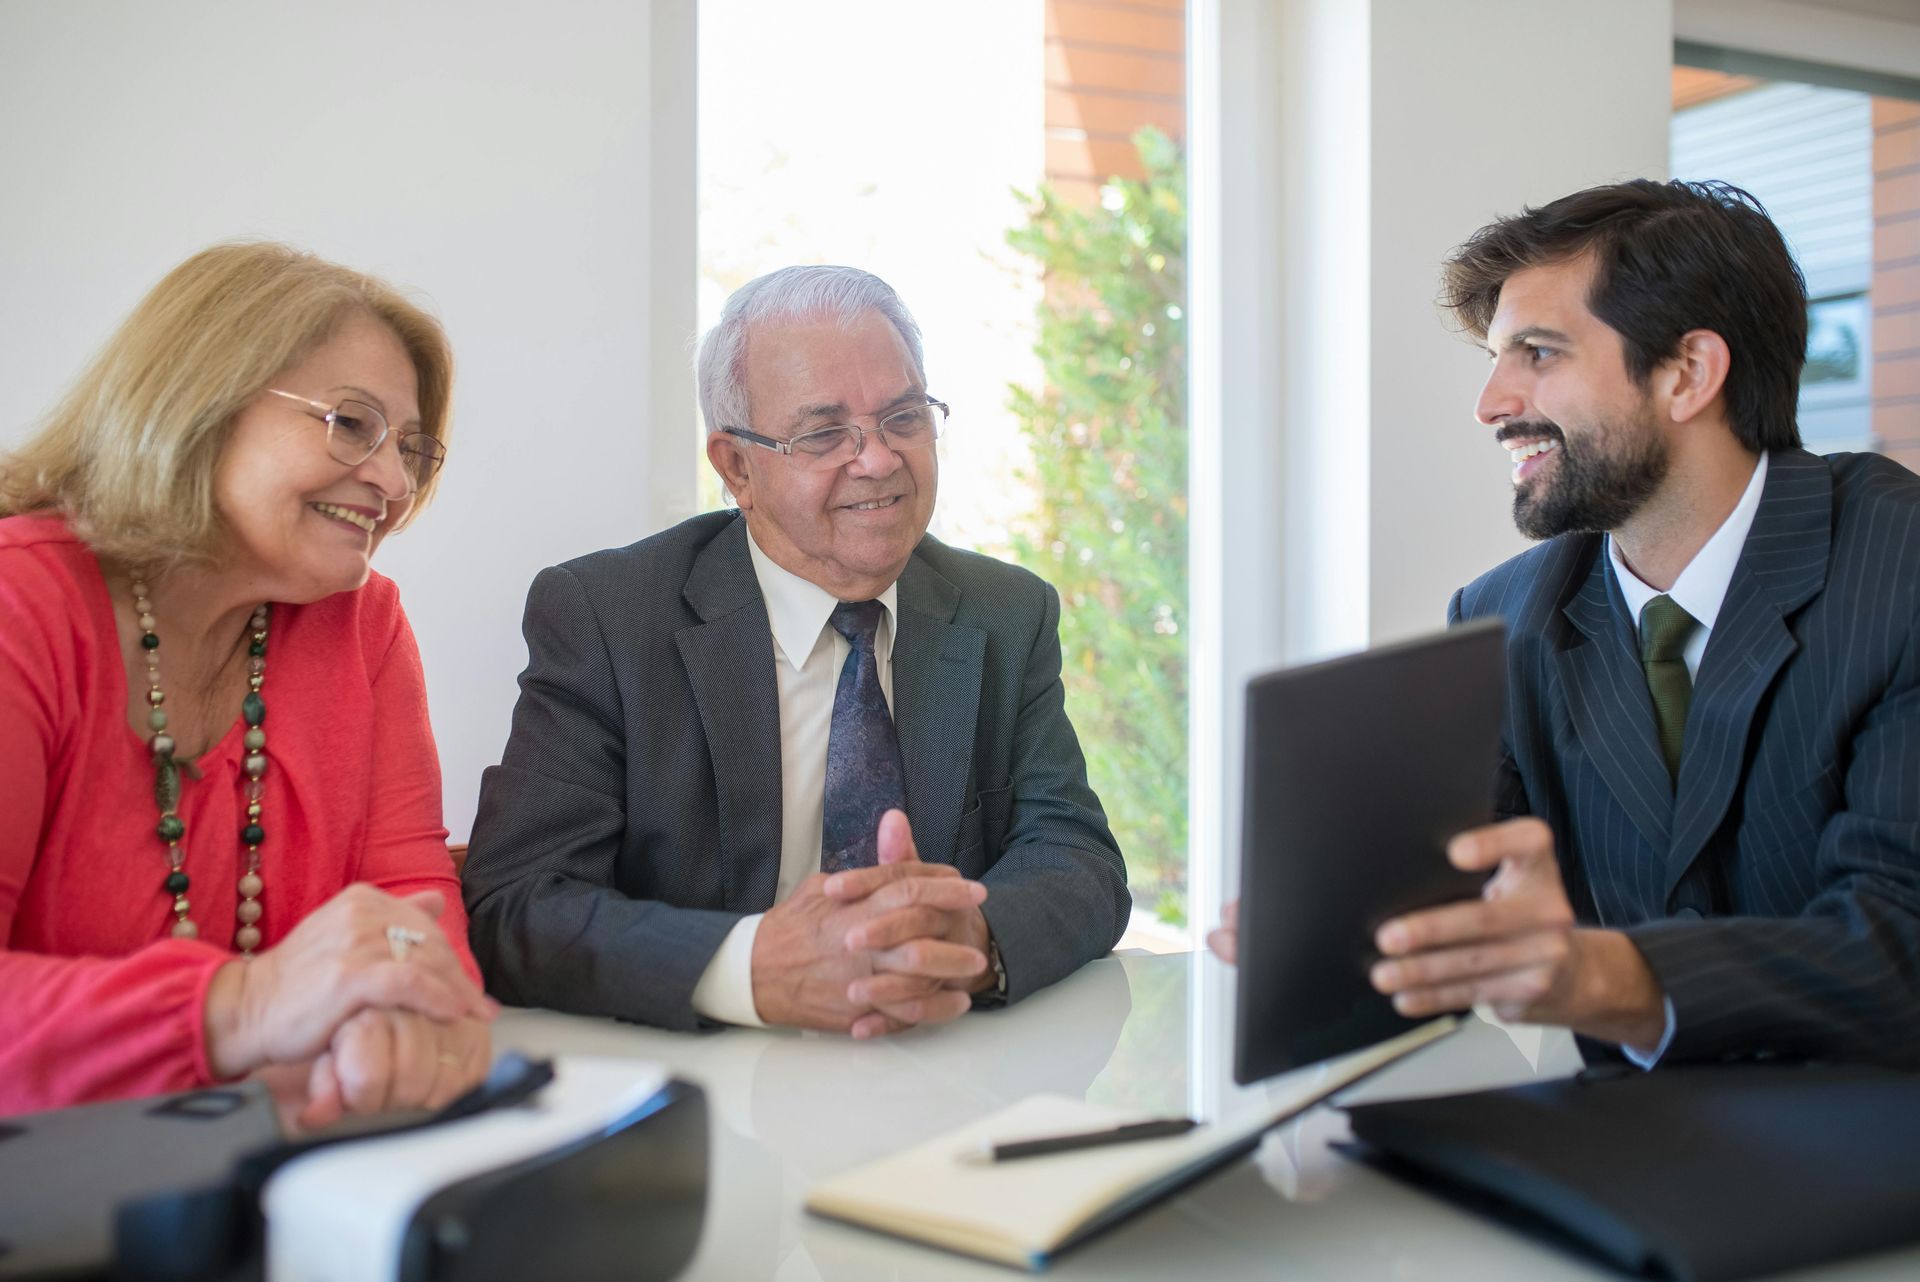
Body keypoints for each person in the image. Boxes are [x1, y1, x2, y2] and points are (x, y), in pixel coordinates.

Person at [1216, 179, 1920, 1068]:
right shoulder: (1502, 615)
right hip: (1627, 1142)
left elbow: (1900, 943)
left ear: (1688, 373)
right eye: (1495, 358)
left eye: (1538, 353)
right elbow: (1462, 897)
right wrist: (1345, 931)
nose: (1492, 404)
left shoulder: (1900, 571)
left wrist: (1600, 978)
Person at [462, 265, 1129, 1038]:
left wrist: (968, 940)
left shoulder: (1005, 613)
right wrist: (750, 966)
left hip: (937, 1072)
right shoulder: (607, 617)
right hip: (701, 1095)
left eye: (904, 417)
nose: (877, 459)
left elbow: (1078, 856)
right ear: (737, 467)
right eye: (823, 434)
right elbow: (518, 905)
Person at [0, 242, 495, 1124]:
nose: (392, 479)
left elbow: (410, 900)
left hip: (276, 1160)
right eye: (352, 424)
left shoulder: (363, 624)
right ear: (198, 405)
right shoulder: (19, 604)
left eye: (413, 449)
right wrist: (244, 1005)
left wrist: (398, 1022)